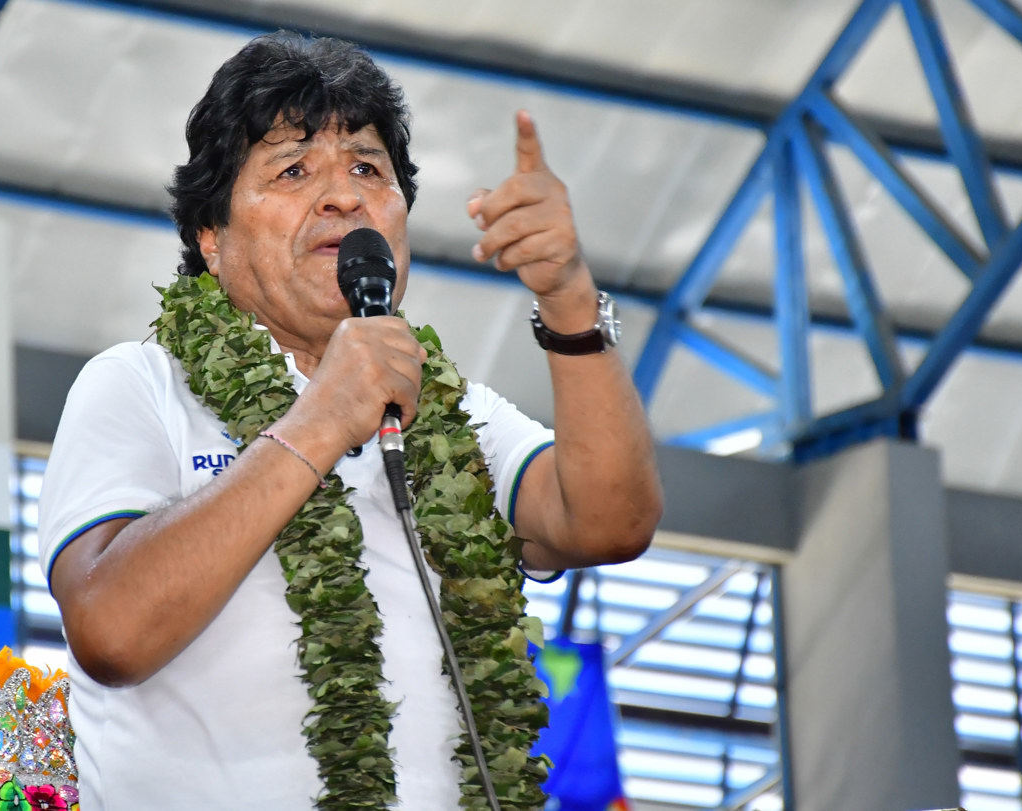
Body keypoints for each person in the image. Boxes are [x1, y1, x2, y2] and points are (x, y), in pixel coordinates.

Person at [38, 32, 662, 811]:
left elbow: (612, 519)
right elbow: (111, 630)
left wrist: (568, 293)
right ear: (212, 238)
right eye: (292, 170)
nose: (344, 196)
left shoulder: (453, 417)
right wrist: (320, 419)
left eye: (368, 167)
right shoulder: (138, 386)